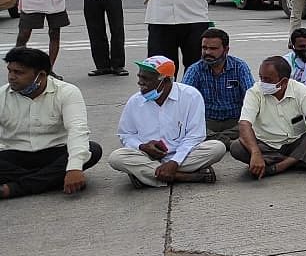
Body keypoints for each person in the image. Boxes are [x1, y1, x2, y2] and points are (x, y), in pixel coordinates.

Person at [108, 56, 226, 188]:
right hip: (147, 156)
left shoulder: (191, 96)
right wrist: (142, 146)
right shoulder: (135, 101)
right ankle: (184, 177)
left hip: (182, 155)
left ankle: (146, 175)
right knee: (116, 158)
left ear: (165, 81)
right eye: (139, 77)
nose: (140, 82)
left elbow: (195, 136)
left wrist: (174, 162)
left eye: (146, 78)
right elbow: (126, 134)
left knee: (217, 148)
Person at [1, 47, 102, 199]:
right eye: (10, 71)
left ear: (40, 75)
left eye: (19, 72)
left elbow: (77, 130)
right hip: (14, 155)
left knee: (92, 149)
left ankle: (13, 188)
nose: (11, 77)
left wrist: (74, 167)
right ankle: (52, 180)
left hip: (55, 152)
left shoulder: (67, 92)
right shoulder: (2, 95)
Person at [229, 56, 306, 178]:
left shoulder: (301, 90)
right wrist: (255, 153)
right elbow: (244, 124)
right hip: (266, 145)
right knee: (237, 147)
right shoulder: (254, 92)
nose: (263, 83)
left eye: (268, 79)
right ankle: (300, 159)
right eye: (261, 78)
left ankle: (279, 166)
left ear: (284, 82)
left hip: (297, 141)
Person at [182, 28, 253, 145]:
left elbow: (251, 97)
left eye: (213, 49)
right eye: (204, 48)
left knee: (255, 125)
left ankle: (216, 140)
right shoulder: (194, 70)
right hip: (207, 122)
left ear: (226, 50)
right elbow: (183, 101)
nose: (207, 52)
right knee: (188, 128)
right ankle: (230, 142)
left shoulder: (239, 66)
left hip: (235, 121)